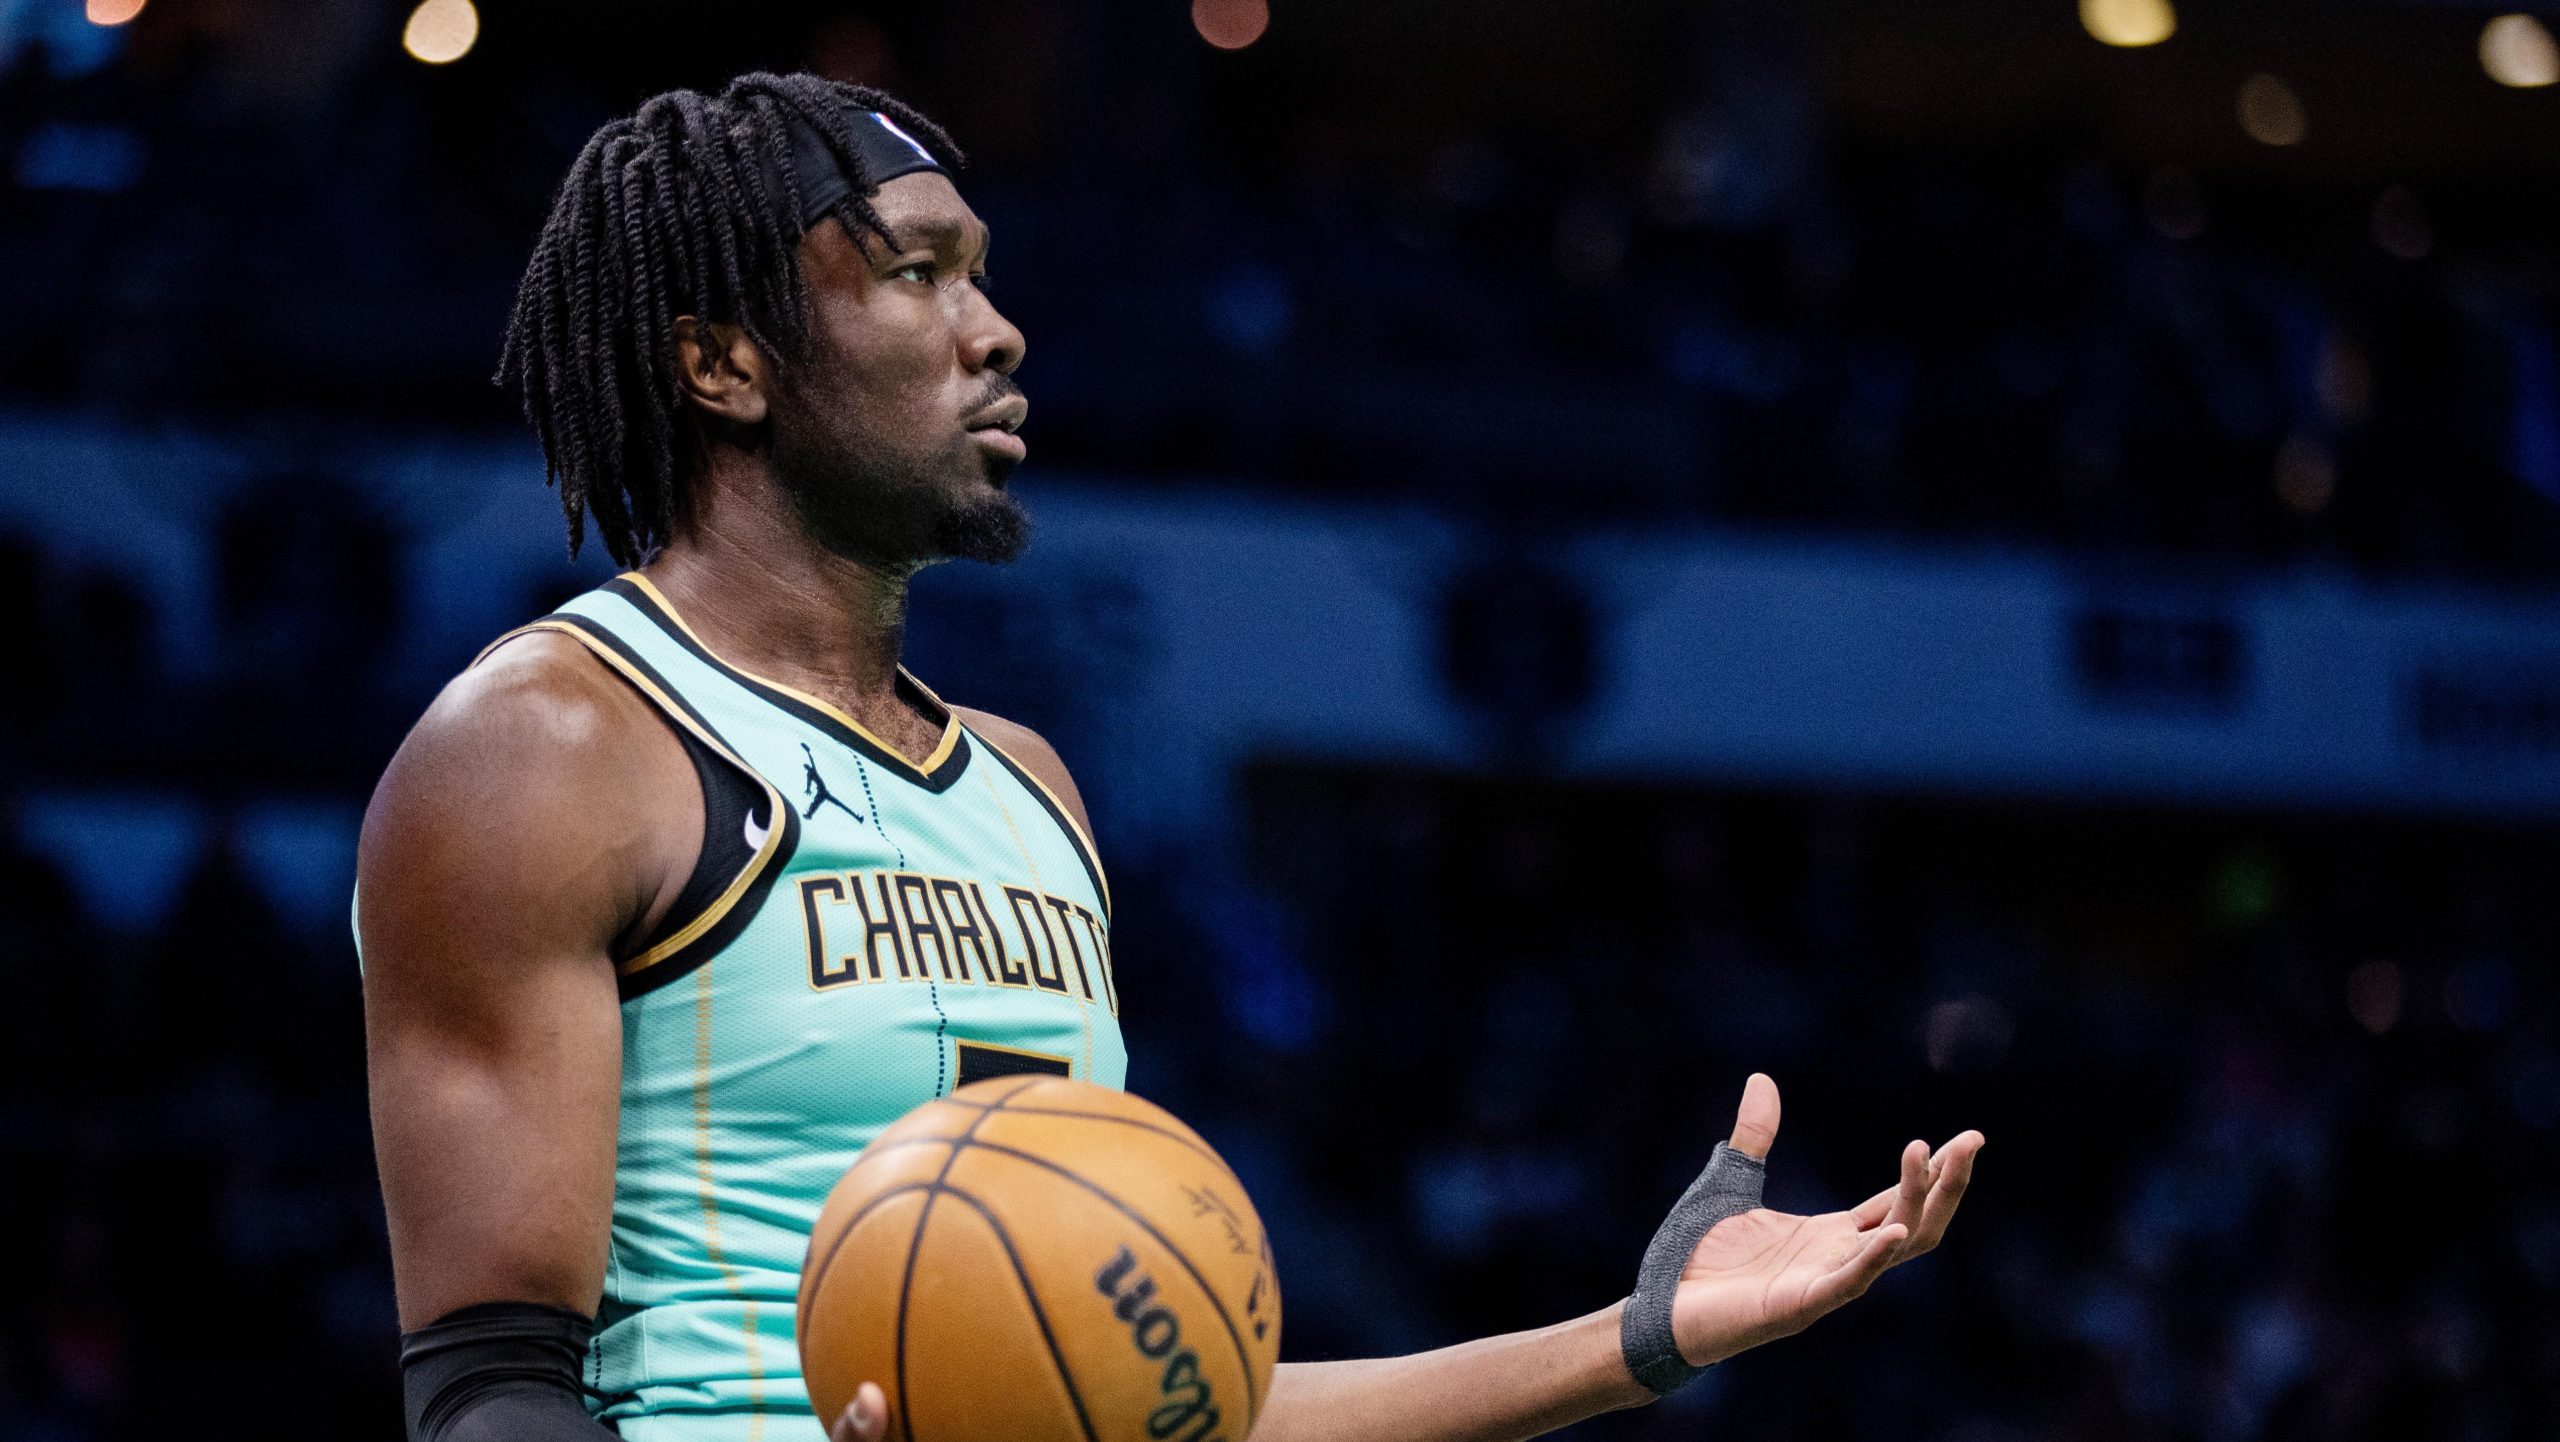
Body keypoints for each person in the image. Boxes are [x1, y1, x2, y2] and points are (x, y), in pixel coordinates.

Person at [358, 72, 1985, 1442]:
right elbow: (490, 1389)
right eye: (916, 273)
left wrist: (1642, 1333)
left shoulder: (1031, 792)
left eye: (984, 273)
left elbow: (1169, 1386)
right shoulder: (552, 748)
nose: (996, 331)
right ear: (723, 361)